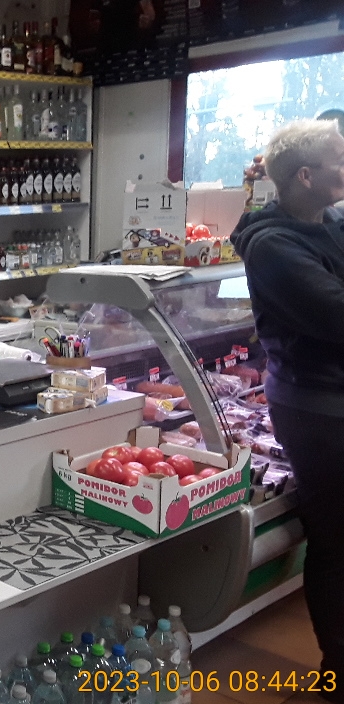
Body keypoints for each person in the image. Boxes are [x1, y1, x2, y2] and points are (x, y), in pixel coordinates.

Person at [231, 119, 344, 702]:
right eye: (339, 160)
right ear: (305, 175)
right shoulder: (273, 244)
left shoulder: (330, 221)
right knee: (337, 540)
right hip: (318, 407)